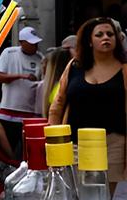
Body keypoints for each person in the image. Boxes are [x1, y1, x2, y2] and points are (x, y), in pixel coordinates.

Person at [49, 17, 127, 186]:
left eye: (110, 34)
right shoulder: (74, 66)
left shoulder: (124, 68)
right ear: (89, 41)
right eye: (99, 34)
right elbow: (57, 104)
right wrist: (54, 143)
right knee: (78, 195)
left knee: (103, 196)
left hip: (112, 142)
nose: (106, 37)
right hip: (76, 142)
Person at [0, 26, 44, 155]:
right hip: (8, 113)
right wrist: (21, 76)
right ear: (22, 42)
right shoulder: (9, 53)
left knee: (28, 153)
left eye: (36, 43)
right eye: (32, 43)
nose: (35, 46)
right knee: (7, 152)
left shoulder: (40, 58)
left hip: (31, 114)